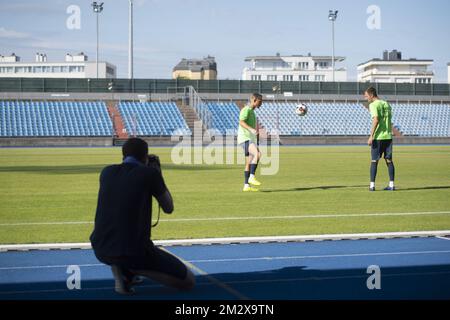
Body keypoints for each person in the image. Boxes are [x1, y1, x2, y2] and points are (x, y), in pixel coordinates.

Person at [90, 138, 195, 294]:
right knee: (188, 281)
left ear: (123, 155)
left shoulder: (106, 172)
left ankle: (122, 267)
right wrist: (158, 175)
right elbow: (168, 207)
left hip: (101, 248)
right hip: (134, 250)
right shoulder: (149, 173)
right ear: (145, 156)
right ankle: (130, 269)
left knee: (122, 245)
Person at [364, 87, 396, 192]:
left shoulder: (373, 105)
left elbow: (376, 119)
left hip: (378, 137)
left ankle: (372, 186)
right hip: (388, 136)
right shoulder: (386, 104)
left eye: (366, 95)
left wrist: (371, 136)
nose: (365, 97)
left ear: (372, 95)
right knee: (389, 161)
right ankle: (391, 185)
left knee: (374, 161)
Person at [237, 93, 263, 192]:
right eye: (260, 101)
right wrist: (251, 129)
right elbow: (241, 122)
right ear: (254, 100)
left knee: (249, 162)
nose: (261, 103)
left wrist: (255, 134)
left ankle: (246, 185)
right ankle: (252, 176)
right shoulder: (246, 110)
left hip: (249, 139)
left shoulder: (252, 112)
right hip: (245, 139)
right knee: (258, 153)